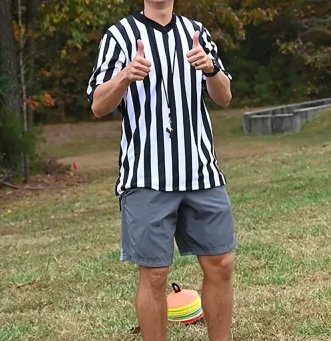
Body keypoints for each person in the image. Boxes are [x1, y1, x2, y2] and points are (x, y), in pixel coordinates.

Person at [86, 0, 236, 340]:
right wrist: (125, 76)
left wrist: (211, 69)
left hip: (201, 172)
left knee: (221, 264)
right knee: (155, 274)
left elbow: (224, 97)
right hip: (146, 175)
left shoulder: (196, 32)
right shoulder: (119, 36)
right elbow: (98, 105)